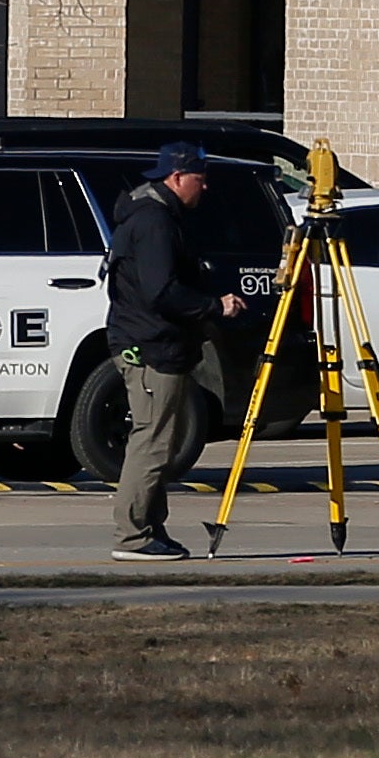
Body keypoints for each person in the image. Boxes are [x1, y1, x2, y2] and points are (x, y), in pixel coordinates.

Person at [99, 140, 265, 559]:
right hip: (151, 346)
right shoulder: (154, 222)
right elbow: (161, 291)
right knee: (152, 442)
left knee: (161, 440)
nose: (204, 187)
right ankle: (132, 537)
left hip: (157, 343)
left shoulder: (153, 216)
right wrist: (214, 305)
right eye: (199, 178)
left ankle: (152, 529)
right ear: (176, 177)